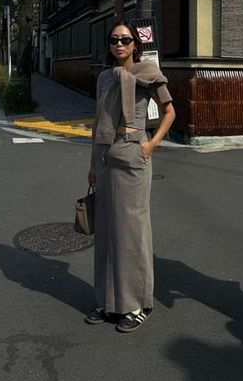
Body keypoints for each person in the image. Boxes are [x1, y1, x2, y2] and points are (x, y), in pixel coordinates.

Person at [85, 21, 176, 333]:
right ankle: (107, 301)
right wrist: (93, 164)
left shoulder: (147, 72)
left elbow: (169, 112)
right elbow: (98, 121)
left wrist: (150, 145)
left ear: (136, 44)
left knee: (131, 231)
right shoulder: (104, 77)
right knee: (106, 231)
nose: (119, 45)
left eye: (125, 40)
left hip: (133, 153)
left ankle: (136, 305)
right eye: (114, 40)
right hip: (105, 155)